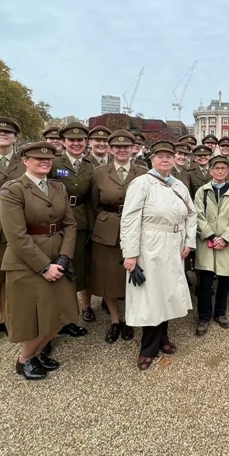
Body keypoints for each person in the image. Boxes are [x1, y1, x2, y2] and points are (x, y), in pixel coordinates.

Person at [0, 142, 78, 380]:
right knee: (33, 316)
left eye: (48, 159)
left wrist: (64, 257)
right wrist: (44, 266)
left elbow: (70, 224)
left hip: (58, 257)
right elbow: (16, 235)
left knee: (60, 313)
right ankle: (25, 359)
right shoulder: (13, 190)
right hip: (27, 262)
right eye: (37, 158)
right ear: (25, 161)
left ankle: (38, 351)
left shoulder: (57, 187)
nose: (44, 162)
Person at [120, 141, 197, 370]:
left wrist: (189, 242)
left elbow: (192, 215)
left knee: (168, 294)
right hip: (149, 245)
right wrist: (131, 253)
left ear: (174, 159)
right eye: (160, 156)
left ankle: (163, 337)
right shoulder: (142, 183)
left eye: (169, 156)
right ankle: (148, 348)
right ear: (152, 159)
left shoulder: (179, 185)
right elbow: (130, 219)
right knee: (151, 297)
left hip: (174, 245)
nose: (165, 160)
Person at [90, 130, 147, 343]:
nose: (122, 150)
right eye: (117, 147)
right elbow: (94, 204)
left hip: (137, 228)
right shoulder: (99, 173)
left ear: (133, 148)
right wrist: (105, 222)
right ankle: (115, 320)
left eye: (126, 146)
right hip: (108, 229)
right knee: (109, 277)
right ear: (111, 149)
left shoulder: (143, 171)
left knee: (133, 276)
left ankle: (131, 319)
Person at [193, 156, 229, 336]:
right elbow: (198, 215)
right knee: (205, 282)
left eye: (223, 168)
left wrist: (224, 238)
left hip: (227, 244)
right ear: (211, 171)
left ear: (228, 171)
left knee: (224, 280)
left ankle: (220, 313)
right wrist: (212, 236)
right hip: (207, 242)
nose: (220, 171)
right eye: (217, 168)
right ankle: (204, 316)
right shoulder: (202, 192)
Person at [0, 116, 24, 348]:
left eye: (7, 132)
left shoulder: (24, 162)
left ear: (15, 137)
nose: (3, 134)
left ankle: (8, 319)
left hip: (19, 224)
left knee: (11, 276)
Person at [51, 122, 94, 331]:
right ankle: (63, 314)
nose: (76, 143)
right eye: (72, 140)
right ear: (64, 142)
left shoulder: (90, 166)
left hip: (82, 220)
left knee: (82, 265)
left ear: (86, 142)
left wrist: (93, 227)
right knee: (61, 267)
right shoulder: (53, 163)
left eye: (80, 140)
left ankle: (86, 306)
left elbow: (93, 199)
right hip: (58, 221)